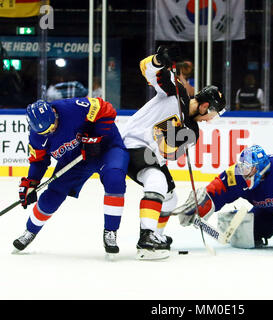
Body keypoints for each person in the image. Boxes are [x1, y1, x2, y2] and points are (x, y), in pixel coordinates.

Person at [120, 46, 226, 260]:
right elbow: (147, 69)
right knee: (157, 181)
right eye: (212, 114)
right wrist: (159, 60)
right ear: (205, 106)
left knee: (170, 196)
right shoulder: (174, 92)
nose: (210, 120)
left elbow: (168, 154)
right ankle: (146, 237)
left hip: (150, 155)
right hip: (132, 143)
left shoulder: (193, 132)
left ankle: (157, 236)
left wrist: (179, 135)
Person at [13, 97, 129, 256]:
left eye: (52, 126)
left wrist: (95, 136)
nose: (51, 131)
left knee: (115, 180)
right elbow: (39, 161)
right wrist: (31, 182)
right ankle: (30, 231)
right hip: (75, 159)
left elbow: (107, 109)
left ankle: (110, 231)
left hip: (106, 148)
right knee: (51, 196)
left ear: (54, 112)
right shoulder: (36, 137)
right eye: (45, 132)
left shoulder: (73, 107)